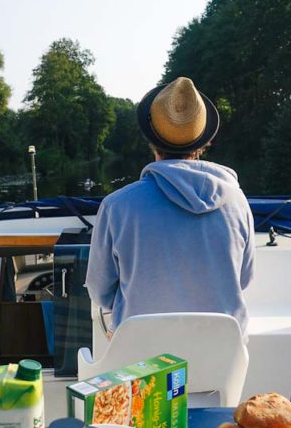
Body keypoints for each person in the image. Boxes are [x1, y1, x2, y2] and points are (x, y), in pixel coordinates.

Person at [85, 76, 255, 340]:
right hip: (222, 363)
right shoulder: (237, 201)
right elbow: (243, 278)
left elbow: (100, 292)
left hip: (143, 369)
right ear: (202, 143)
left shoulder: (116, 207)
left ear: (152, 142)